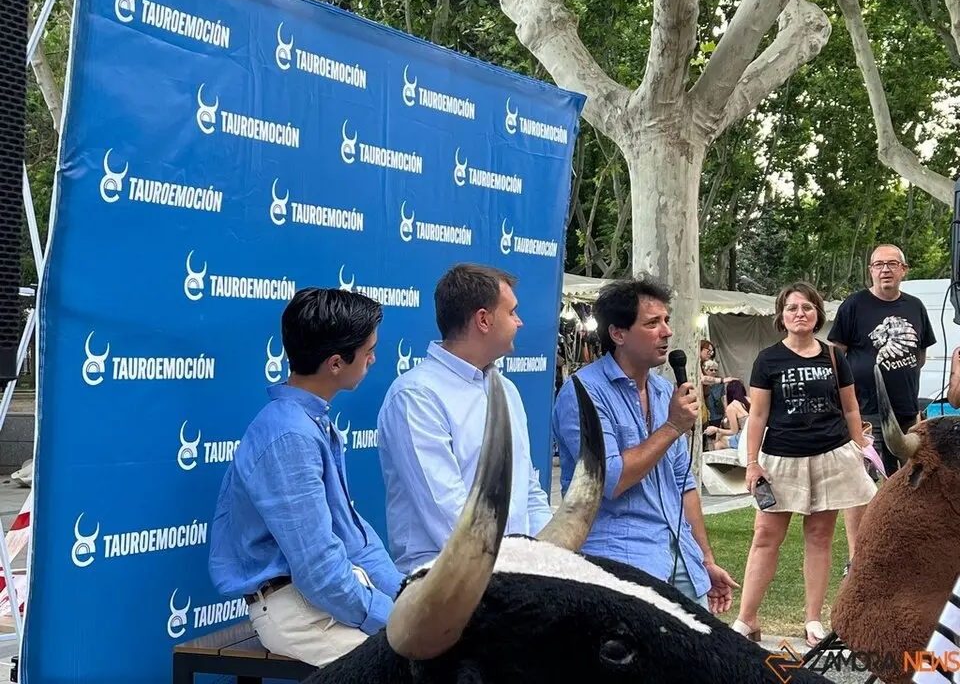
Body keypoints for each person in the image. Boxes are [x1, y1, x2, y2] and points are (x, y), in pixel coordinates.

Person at [208, 288, 404, 667]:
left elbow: (352, 538)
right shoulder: (289, 436)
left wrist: (408, 595)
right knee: (408, 667)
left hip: (322, 599)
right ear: (335, 363)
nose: (373, 359)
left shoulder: (309, 423)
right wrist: (395, 619)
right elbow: (320, 572)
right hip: (298, 611)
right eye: (368, 352)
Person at [551, 276, 739, 613]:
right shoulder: (582, 394)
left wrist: (705, 560)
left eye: (666, 320)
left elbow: (684, 483)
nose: (667, 331)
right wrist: (670, 427)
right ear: (618, 334)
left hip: (681, 558)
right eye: (653, 323)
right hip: (620, 562)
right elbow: (611, 481)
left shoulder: (665, 391)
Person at [376, 263, 553, 574]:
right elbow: (451, 518)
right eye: (512, 312)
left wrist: (550, 557)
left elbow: (529, 491)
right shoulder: (416, 396)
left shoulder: (506, 390)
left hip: (517, 578)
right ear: (483, 320)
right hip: (444, 586)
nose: (520, 322)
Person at [732, 282, 876, 647]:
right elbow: (759, 414)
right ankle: (747, 619)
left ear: (817, 314)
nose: (800, 313)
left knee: (819, 537)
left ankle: (813, 620)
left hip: (831, 456)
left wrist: (858, 448)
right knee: (765, 537)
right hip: (781, 460)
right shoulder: (768, 359)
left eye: (807, 307)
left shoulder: (833, 355)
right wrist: (752, 463)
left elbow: (850, 407)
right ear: (782, 315)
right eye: (793, 308)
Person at [828, 244, 936, 475]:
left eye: (892, 264)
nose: (885, 270)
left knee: (912, 477)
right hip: (867, 412)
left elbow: (921, 355)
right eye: (879, 264)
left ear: (904, 269)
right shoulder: (854, 305)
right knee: (867, 479)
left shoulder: (915, 306)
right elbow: (835, 356)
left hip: (907, 412)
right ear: (871, 270)